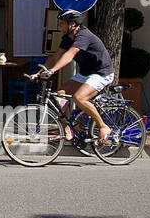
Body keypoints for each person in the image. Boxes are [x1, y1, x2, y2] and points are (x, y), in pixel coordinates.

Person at [36, 8, 114, 143]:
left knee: (79, 98)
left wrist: (53, 70)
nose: (59, 26)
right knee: (58, 97)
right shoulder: (67, 38)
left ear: (72, 24)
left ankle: (103, 126)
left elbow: (70, 54)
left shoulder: (83, 36)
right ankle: (69, 130)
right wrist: (41, 71)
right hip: (86, 73)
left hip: (101, 73)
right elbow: (56, 56)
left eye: (62, 23)